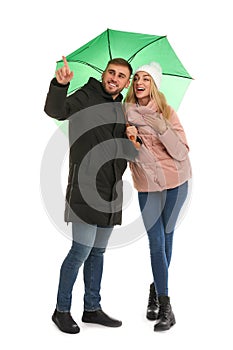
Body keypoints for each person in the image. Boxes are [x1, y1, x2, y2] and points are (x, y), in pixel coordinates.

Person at [44, 56, 137, 334]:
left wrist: (133, 139)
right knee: (80, 251)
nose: (115, 78)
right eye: (112, 72)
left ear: (126, 82)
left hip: (111, 193)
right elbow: (56, 111)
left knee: (98, 253)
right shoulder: (86, 95)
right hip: (84, 188)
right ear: (104, 74)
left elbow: (127, 155)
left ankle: (91, 308)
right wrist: (59, 85)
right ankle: (61, 310)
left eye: (121, 76)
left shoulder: (123, 110)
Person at [125, 62, 192, 331]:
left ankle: (156, 291)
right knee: (155, 243)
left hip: (177, 182)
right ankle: (166, 306)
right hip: (147, 186)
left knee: (166, 238)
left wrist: (160, 126)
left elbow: (182, 152)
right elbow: (127, 157)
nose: (139, 82)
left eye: (146, 79)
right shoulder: (124, 115)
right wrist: (131, 142)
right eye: (137, 78)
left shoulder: (167, 113)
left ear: (154, 85)